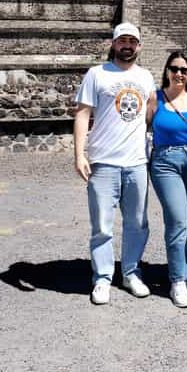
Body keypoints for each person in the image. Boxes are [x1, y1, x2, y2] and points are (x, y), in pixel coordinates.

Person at [74, 22, 157, 305]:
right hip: (104, 161)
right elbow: (83, 114)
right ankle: (102, 278)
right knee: (102, 225)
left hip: (136, 162)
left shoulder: (146, 76)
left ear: (139, 46)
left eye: (132, 41)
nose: (127, 45)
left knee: (137, 222)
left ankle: (131, 271)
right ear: (113, 43)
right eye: (122, 40)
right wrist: (79, 154)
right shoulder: (96, 74)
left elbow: (151, 109)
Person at [147, 52, 187, 308]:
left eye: (184, 69)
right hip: (165, 162)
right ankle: (178, 280)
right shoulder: (155, 97)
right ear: (166, 71)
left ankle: (182, 269)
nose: (179, 73)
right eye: (174, 68)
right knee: (178, 218)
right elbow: (140, 125)